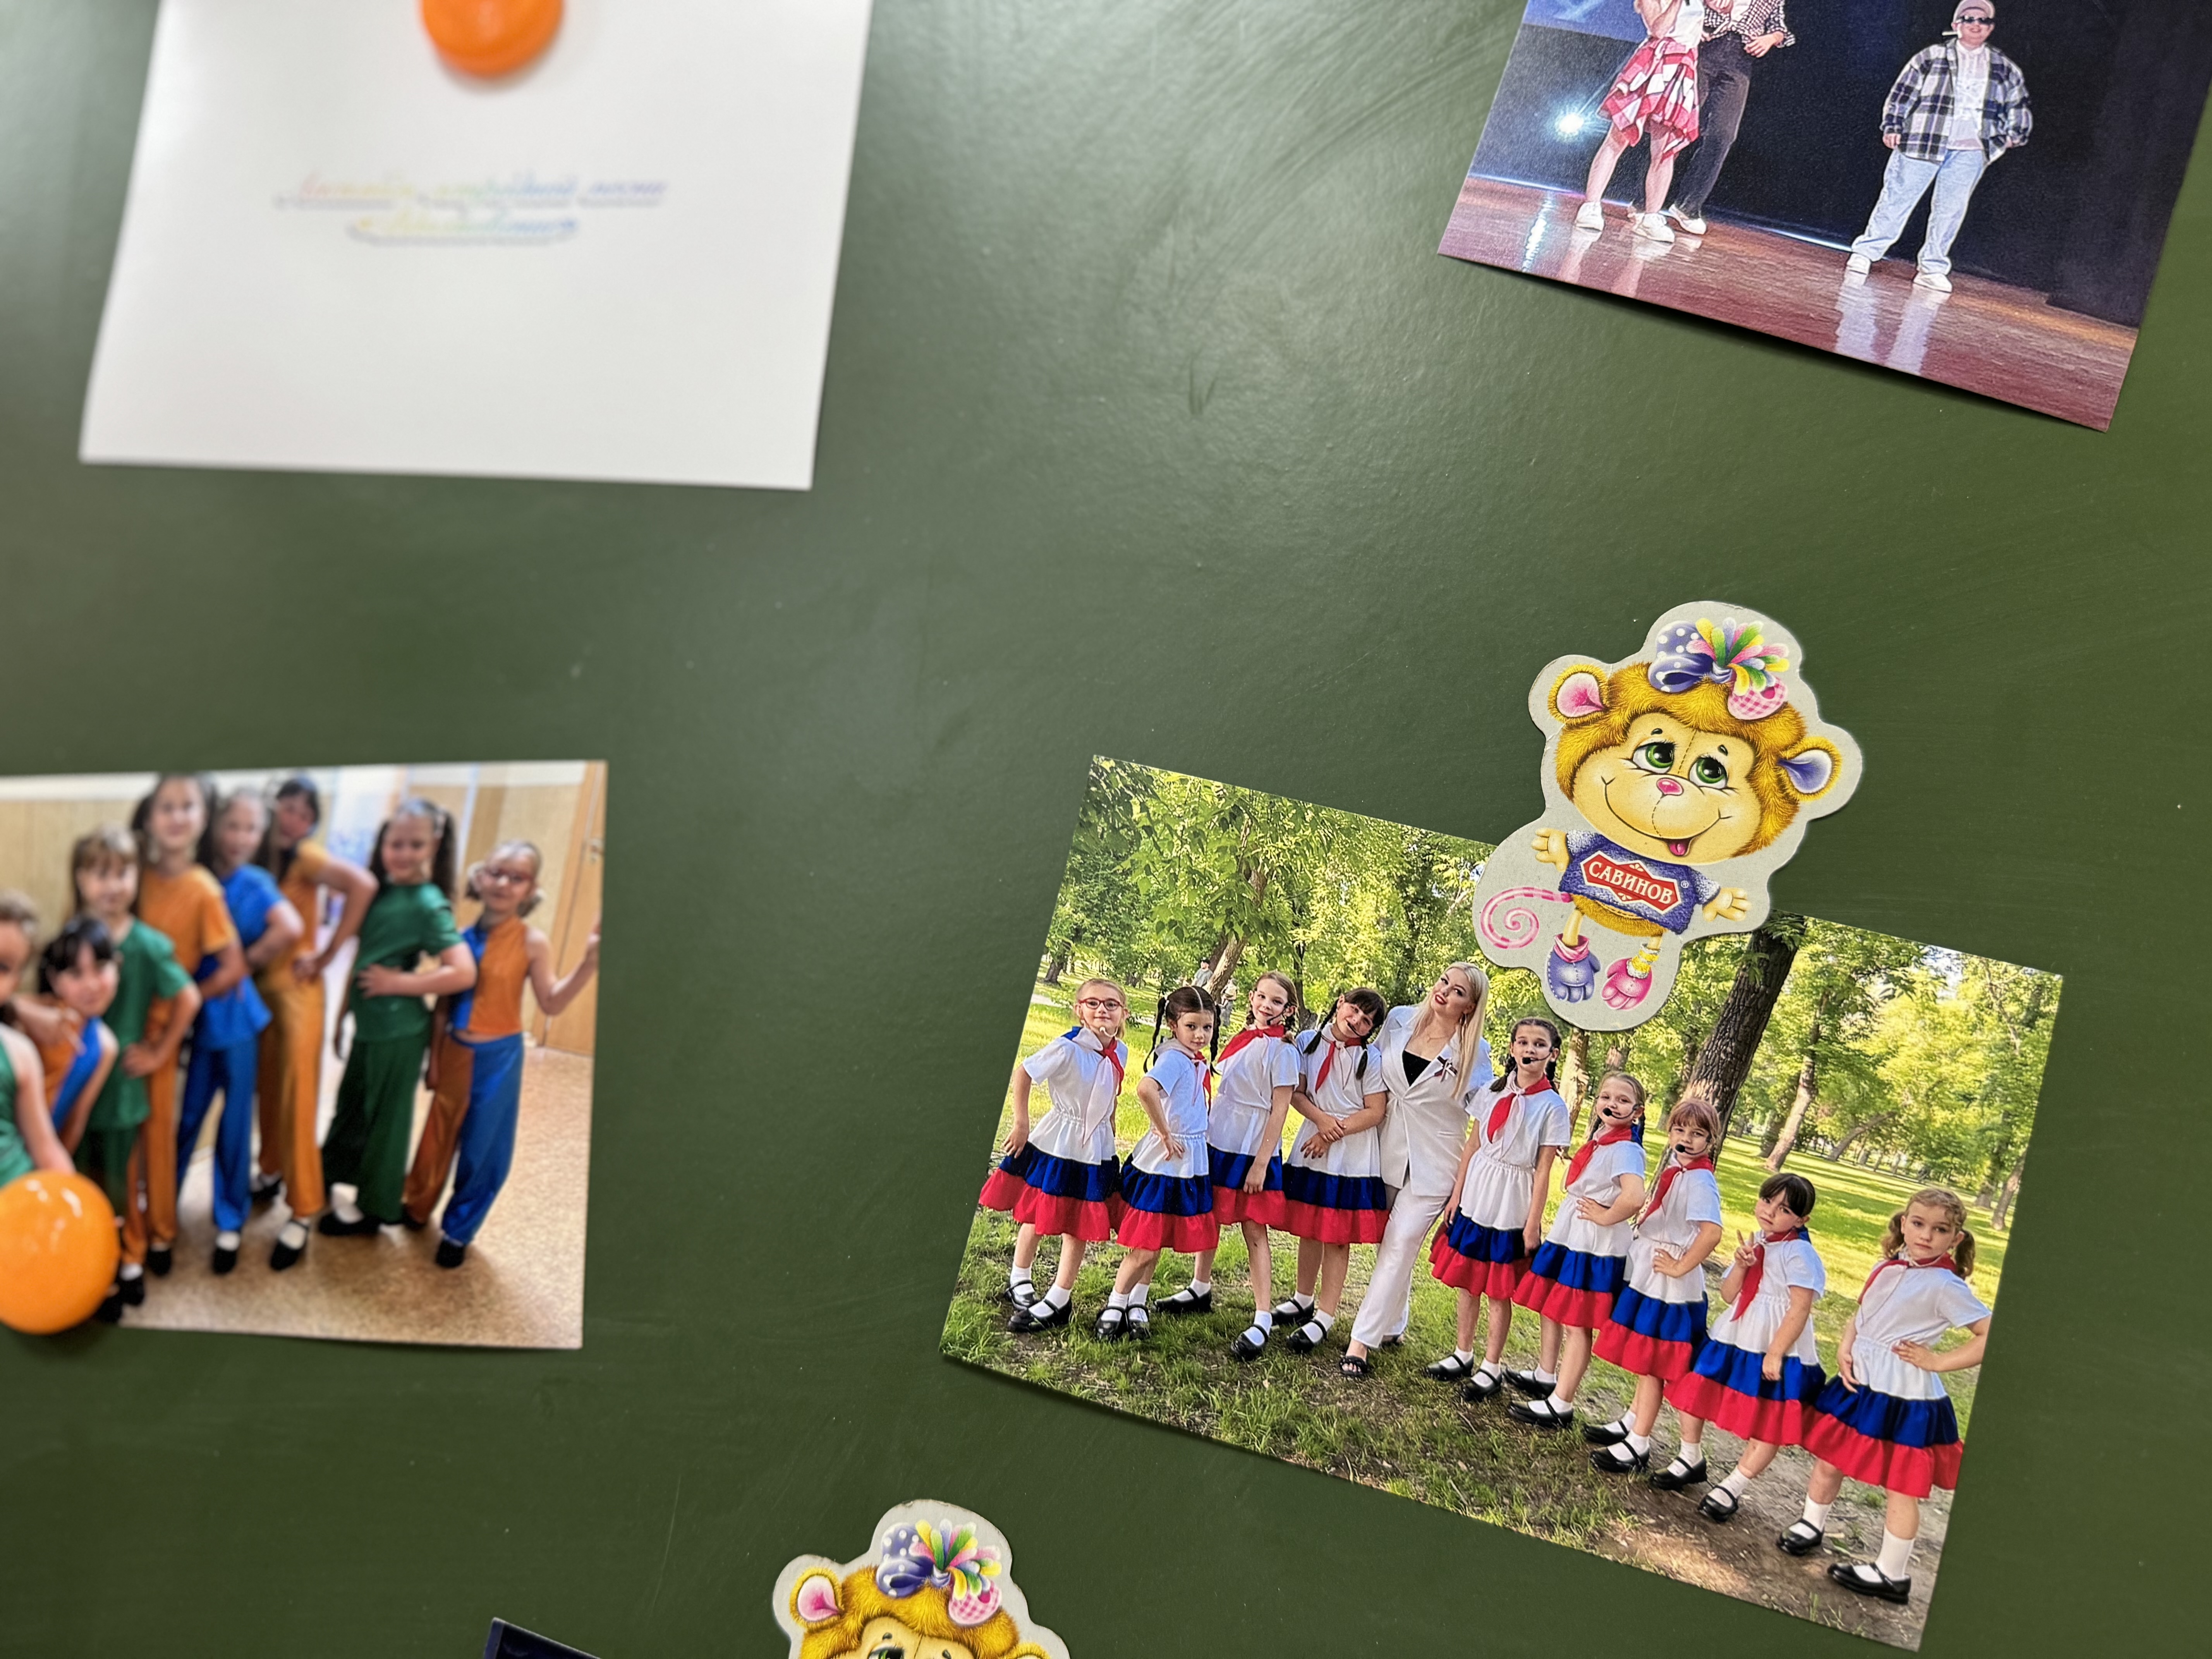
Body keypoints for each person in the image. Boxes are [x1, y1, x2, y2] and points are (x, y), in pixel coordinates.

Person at [1786, 1187, 1991, 1605]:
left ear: (1955, 1238)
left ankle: (1892, 1574)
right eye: (1918, 1224)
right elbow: (1862, 1314)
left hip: (1902, 1396)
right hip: (1861, 1383)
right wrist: (1846, 1347)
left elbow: (1989, 1335)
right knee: (1830, 1458)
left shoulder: (1945, 1286)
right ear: (1903, 1223)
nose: (1926, 1235)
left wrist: (1937, 1362)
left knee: (1902, 1485)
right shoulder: (1888, 1266)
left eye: (1940, 1230)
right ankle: (1811, 1524)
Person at [399, 841, 599, 1267]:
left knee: (484, 1147)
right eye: (495, 872)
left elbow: (552, 1002)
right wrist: (434, 1059)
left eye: (517, 878)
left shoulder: (532, 942)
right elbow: (444, 1007)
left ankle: (459, 1231)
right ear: (479, 877)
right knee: (436, 1139)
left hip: (499, 1060)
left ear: (531, 889)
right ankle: (416, 1206)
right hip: (455, 1052)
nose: (503, 884)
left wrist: (589, 964)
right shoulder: (458, 938)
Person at [37, 827, 201, 1314]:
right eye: (100, 873)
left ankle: (129, 1256)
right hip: (75, 1082)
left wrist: (160, 1052)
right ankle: (89, 1258)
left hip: (122, 1088)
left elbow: (188, 997)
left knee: (121, 1181)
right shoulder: (71, 937)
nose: (112, 885)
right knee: (79, 1174)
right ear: (79, 878)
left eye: (123, 872)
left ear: (137, 875)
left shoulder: (147, 945)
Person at [317, 799, 476, 1239]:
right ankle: (331, 1173)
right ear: (383, 843)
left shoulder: (429, 904)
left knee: (386, 1121)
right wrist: (342, 1015)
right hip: (369, 1026)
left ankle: (374, 1207)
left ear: (434, 845)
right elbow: (362, 955)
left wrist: (399, 982)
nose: (403, 854)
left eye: (415, 845)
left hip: (400, 1031)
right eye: (396, 844)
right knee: (351, 1107)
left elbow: (463, 971)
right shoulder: (378, 890)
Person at [1337, 963, 1493, 1380]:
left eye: (1458, 991)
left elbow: (1486, 1114)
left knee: (1402, 1242)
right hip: (1385, 1148)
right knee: (1388, 1244)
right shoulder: (1400, 1020)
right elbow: (1370, 1071)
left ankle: (1361, 1341)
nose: (1445, 991)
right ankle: (1393, 1323)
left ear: (1469, 1006)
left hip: (1436, 1163)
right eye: (1444, 981)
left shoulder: (1475, 1051)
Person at [132, 773, 256, 1277]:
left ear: (204, 818)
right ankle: (134, 1225)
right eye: (167, 806)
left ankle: (190, 1229)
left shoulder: (204, 889)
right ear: (149, 817)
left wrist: (184, 999)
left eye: (188, 806)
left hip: (187, 1029)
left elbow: (234, 966)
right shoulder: (134, 876)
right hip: (133, 1025)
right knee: (143, 1134)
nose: (178, 816)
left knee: (187, 1131)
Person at [252, 775, 376, 1269]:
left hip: (299, 991)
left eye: (306, 814)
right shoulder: (259, 854)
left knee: (298, 1095)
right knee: (268, 1088)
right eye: (289, 807)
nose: (294, 819)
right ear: (274, 806)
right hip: (261, 991)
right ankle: (270, 1169)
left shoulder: (306, 857)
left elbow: (363, 886)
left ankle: (303, 1209)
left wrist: (326, 956)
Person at [178, 789, 301, 1273]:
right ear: (215, 826)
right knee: (188, 1116)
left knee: (233, 1123)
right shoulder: (199, 876)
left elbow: (290, 927)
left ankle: (230, 1221)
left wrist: (245, 964)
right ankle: (163, 1209)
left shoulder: (256, 881)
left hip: (238, 1017)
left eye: (251, 829)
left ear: (261, 834)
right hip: (199, 1014)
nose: (240, 837)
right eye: (232, 826)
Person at [1659, 1171, 1826, 1520]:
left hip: (1776, 1343)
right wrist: (1740, 1265)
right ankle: (1690, 1456)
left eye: (1784, 1210)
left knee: (1771, 1418)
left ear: (1802, 1220)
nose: (1770, 1211)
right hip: (1736, 1334)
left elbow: (1800, 1308)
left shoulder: (1801, 1254)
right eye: (1767, 1200)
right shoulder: (1758, 1242)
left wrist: (1776, 1353)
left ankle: (1734, 1485)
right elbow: (1729, 1294)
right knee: (1695, 1388)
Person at [1423, 1017, 1569, 1397]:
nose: (1530, 1050)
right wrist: (1457, 1195)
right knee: (1470, 1279)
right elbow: (1473, 1145)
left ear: (1553, 1054)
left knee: (1498, 1289)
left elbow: (1543, 1170)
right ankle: (1463, 1353)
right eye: (1523, 1042)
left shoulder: (1552, 1107)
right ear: (1512, 1048)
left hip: (1512, 1198)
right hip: (1478, 1191)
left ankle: (1492, 1365)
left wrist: (1533, 1223)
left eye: (1539, 1044)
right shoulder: (1491, 1091)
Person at [1845, 3, 2031, 294]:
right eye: (1969, 19)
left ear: (1991, 28)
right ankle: (1866, 253)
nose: (1976, 25)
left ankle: (1932, 267)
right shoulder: (1932, 56)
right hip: (1924, 140)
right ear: (1957, 25)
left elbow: (2017, 102)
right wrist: (1893, 126)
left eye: (1983, 21)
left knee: (1951, 210)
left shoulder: (2002, 67)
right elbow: (1902, 93)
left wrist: (2014, 134)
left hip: (1970, 150)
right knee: (1898, 197)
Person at [982, 977, 1128, 1332]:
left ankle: (1061, 1297)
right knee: (1039, 1212)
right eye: (1093, 1003)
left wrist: (1110, 1124)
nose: (1102, 1010)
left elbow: (1109, 1094)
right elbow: (1025, 1073)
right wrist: (1021, 1122)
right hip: (1060, 1142)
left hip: (1095, 1149)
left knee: (1079, 1221)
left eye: (1111, 1004)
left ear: (1124, 1013)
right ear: (1079, 1010)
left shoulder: (1121, 1051)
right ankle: (1020, 1278)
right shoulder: (1067, 1048)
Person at [1504, 1071, 1650, 1428]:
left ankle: (1562, 1402)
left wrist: (1605, 1216)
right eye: (1606, 1097)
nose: (1612, 1104)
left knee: (1577, 1322)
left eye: (1623, 1101)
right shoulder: (1603, 1140)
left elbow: (1634, 1197)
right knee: (1553, 1303)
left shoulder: (1626, 1150)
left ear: (1638, 1112)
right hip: (1573, 1234)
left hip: (1593, 1244)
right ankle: (1546, 1374)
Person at [1588, 1097, 1726, 1472]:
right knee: (1646, 1358)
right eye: (1680, 1130)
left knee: (1653, 1363)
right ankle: (1634, 1420)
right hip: (1652, 1275)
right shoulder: (1679, 1171)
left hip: (1670, 1286)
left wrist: (1680, 1267)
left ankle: (1640, 1442)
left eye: (1697, 1134)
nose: (1686, 1139)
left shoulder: (1700, 1180)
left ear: (1710, 1140)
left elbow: (1712, 1233)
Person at [1172, 970, 1298, 1361]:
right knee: (1209, 1213)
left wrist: (1260, 1164)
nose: (1266, 1005)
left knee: (1254, 1228)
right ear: (1251, 997)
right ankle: (1200, 1286)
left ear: (1288, 1010)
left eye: (1276, 1001)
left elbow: (1280, 1111)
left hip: (1251, 1146)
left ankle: (1262, 1316)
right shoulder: (1242, 1037)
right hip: (1219, 1138)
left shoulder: (1283, 1051)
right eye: (1261, 996)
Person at [1097, 985, 1220, 1341]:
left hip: (1186, 1163)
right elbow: (1145, 1089)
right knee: (1146, 1244)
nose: (1200, 1035)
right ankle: (1115, 1304)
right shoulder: (1176, 1060)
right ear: (1172, 1025)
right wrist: (1165, 1133)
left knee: (1159, 1237)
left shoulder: (1194, 1059)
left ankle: (1138, 1301)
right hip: (1164, 1163)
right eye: (1191, 1027)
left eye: (1207, 1028)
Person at [1273, 988, 1391, 1355]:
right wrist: (1322, 1124)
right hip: (1314, 1141)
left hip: (1351, 1153)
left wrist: (1331, 1133)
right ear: (1340, 1003)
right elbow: (1297, 1093)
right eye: (1354, 1010)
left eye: (1367, 1021)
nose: (1356, 1021)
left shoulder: (1370, 1059)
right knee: (1311, 1227)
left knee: (1337, 1236)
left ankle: (1325, 1316)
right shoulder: (1307, 1043)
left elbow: (1375, 1111)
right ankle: (1302, 1299)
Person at [1576, 0, 1705, 244]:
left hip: (1683, 66)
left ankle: (1651, 217)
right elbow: (1659, 29)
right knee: (1617, 139)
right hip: (1654, 61)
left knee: (1664, 151)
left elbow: (1726, 8)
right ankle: (1591, 206)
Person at [1665, 0, 1794, 234]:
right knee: (1676, 128)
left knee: (1723, 135)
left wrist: (1770, 39)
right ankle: (1645, 202)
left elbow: (1779, 26)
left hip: (1739, 62)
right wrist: (1692, 25)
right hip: (1705, 47)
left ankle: (1688, 206)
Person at [0, 894, 72, 1189]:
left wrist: (76, 1203)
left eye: (3, 967)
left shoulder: (18, 1052)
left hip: (15, 1198)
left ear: (15, 982)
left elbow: (46, 1149)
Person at [31, 916, 120, 1155]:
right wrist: (24, 1013)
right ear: (54, 980)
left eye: (100, 968)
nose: (91, 985)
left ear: (118, 967)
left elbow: (75, 1121)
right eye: (76, 973)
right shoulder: (37, 1015)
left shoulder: (106, 1045)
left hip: (43, 1154)